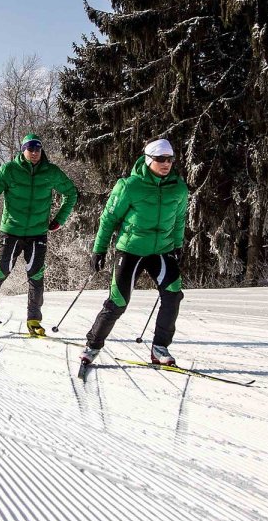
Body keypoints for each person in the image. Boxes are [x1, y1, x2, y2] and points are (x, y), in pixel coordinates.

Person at [81, 138, 189, 367]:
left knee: (173, 294)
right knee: (118, 301)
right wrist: (98, 250)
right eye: (160, 159)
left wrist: (178, 245)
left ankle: (160, 348)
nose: (166, 164)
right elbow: (109, 219)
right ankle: (92, 346)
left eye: (169, 159)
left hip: (162, 250)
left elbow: (179, 219)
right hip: (130, 250)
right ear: (149, 160)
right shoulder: (129, 186)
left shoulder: (178, 188)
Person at [0, 133, 77, 335]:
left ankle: (34, 321)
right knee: (1, 270)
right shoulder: (10, 170)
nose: (35, 153)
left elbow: (71, 193)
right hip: (11, 232)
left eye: (38, 149)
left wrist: (59, 219)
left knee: (36, 277)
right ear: (23, 150)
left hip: (38, 234)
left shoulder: (51, 172)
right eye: (30, 149)